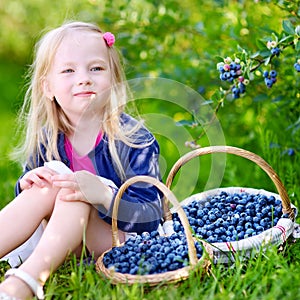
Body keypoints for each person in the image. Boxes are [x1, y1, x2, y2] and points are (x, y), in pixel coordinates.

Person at [0, 21, 163, 300]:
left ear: (113, 80)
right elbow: (32, 206)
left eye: (96, 68)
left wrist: (105, 196)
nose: (84, 78)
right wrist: (26, 185)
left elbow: (151, 214)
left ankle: (26, 281)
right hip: (63, 237)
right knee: (50, 179)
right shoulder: (48, 139)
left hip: (120, 240)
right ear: (47, 87)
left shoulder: (134, 139)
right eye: (68, 70)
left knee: (73, 193)